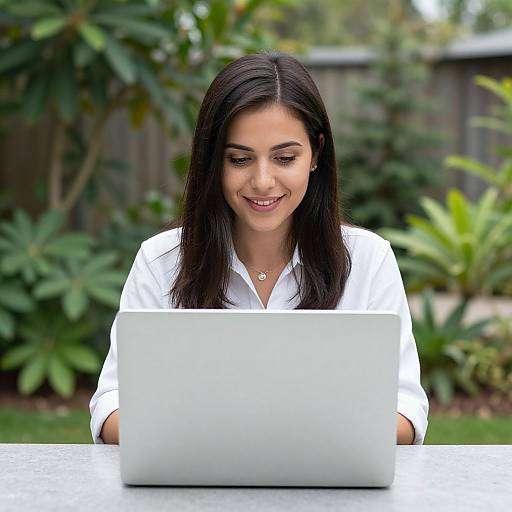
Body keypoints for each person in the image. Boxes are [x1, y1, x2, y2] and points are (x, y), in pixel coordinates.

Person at [89, 51, 428, 446]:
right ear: (212, 161)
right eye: (240, 159)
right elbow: (111, 405)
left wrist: (270, 439)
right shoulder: (160, 261)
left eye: (285, 157)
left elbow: (405, 410)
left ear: (316, 153)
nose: (263, 181)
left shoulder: (368, 260)